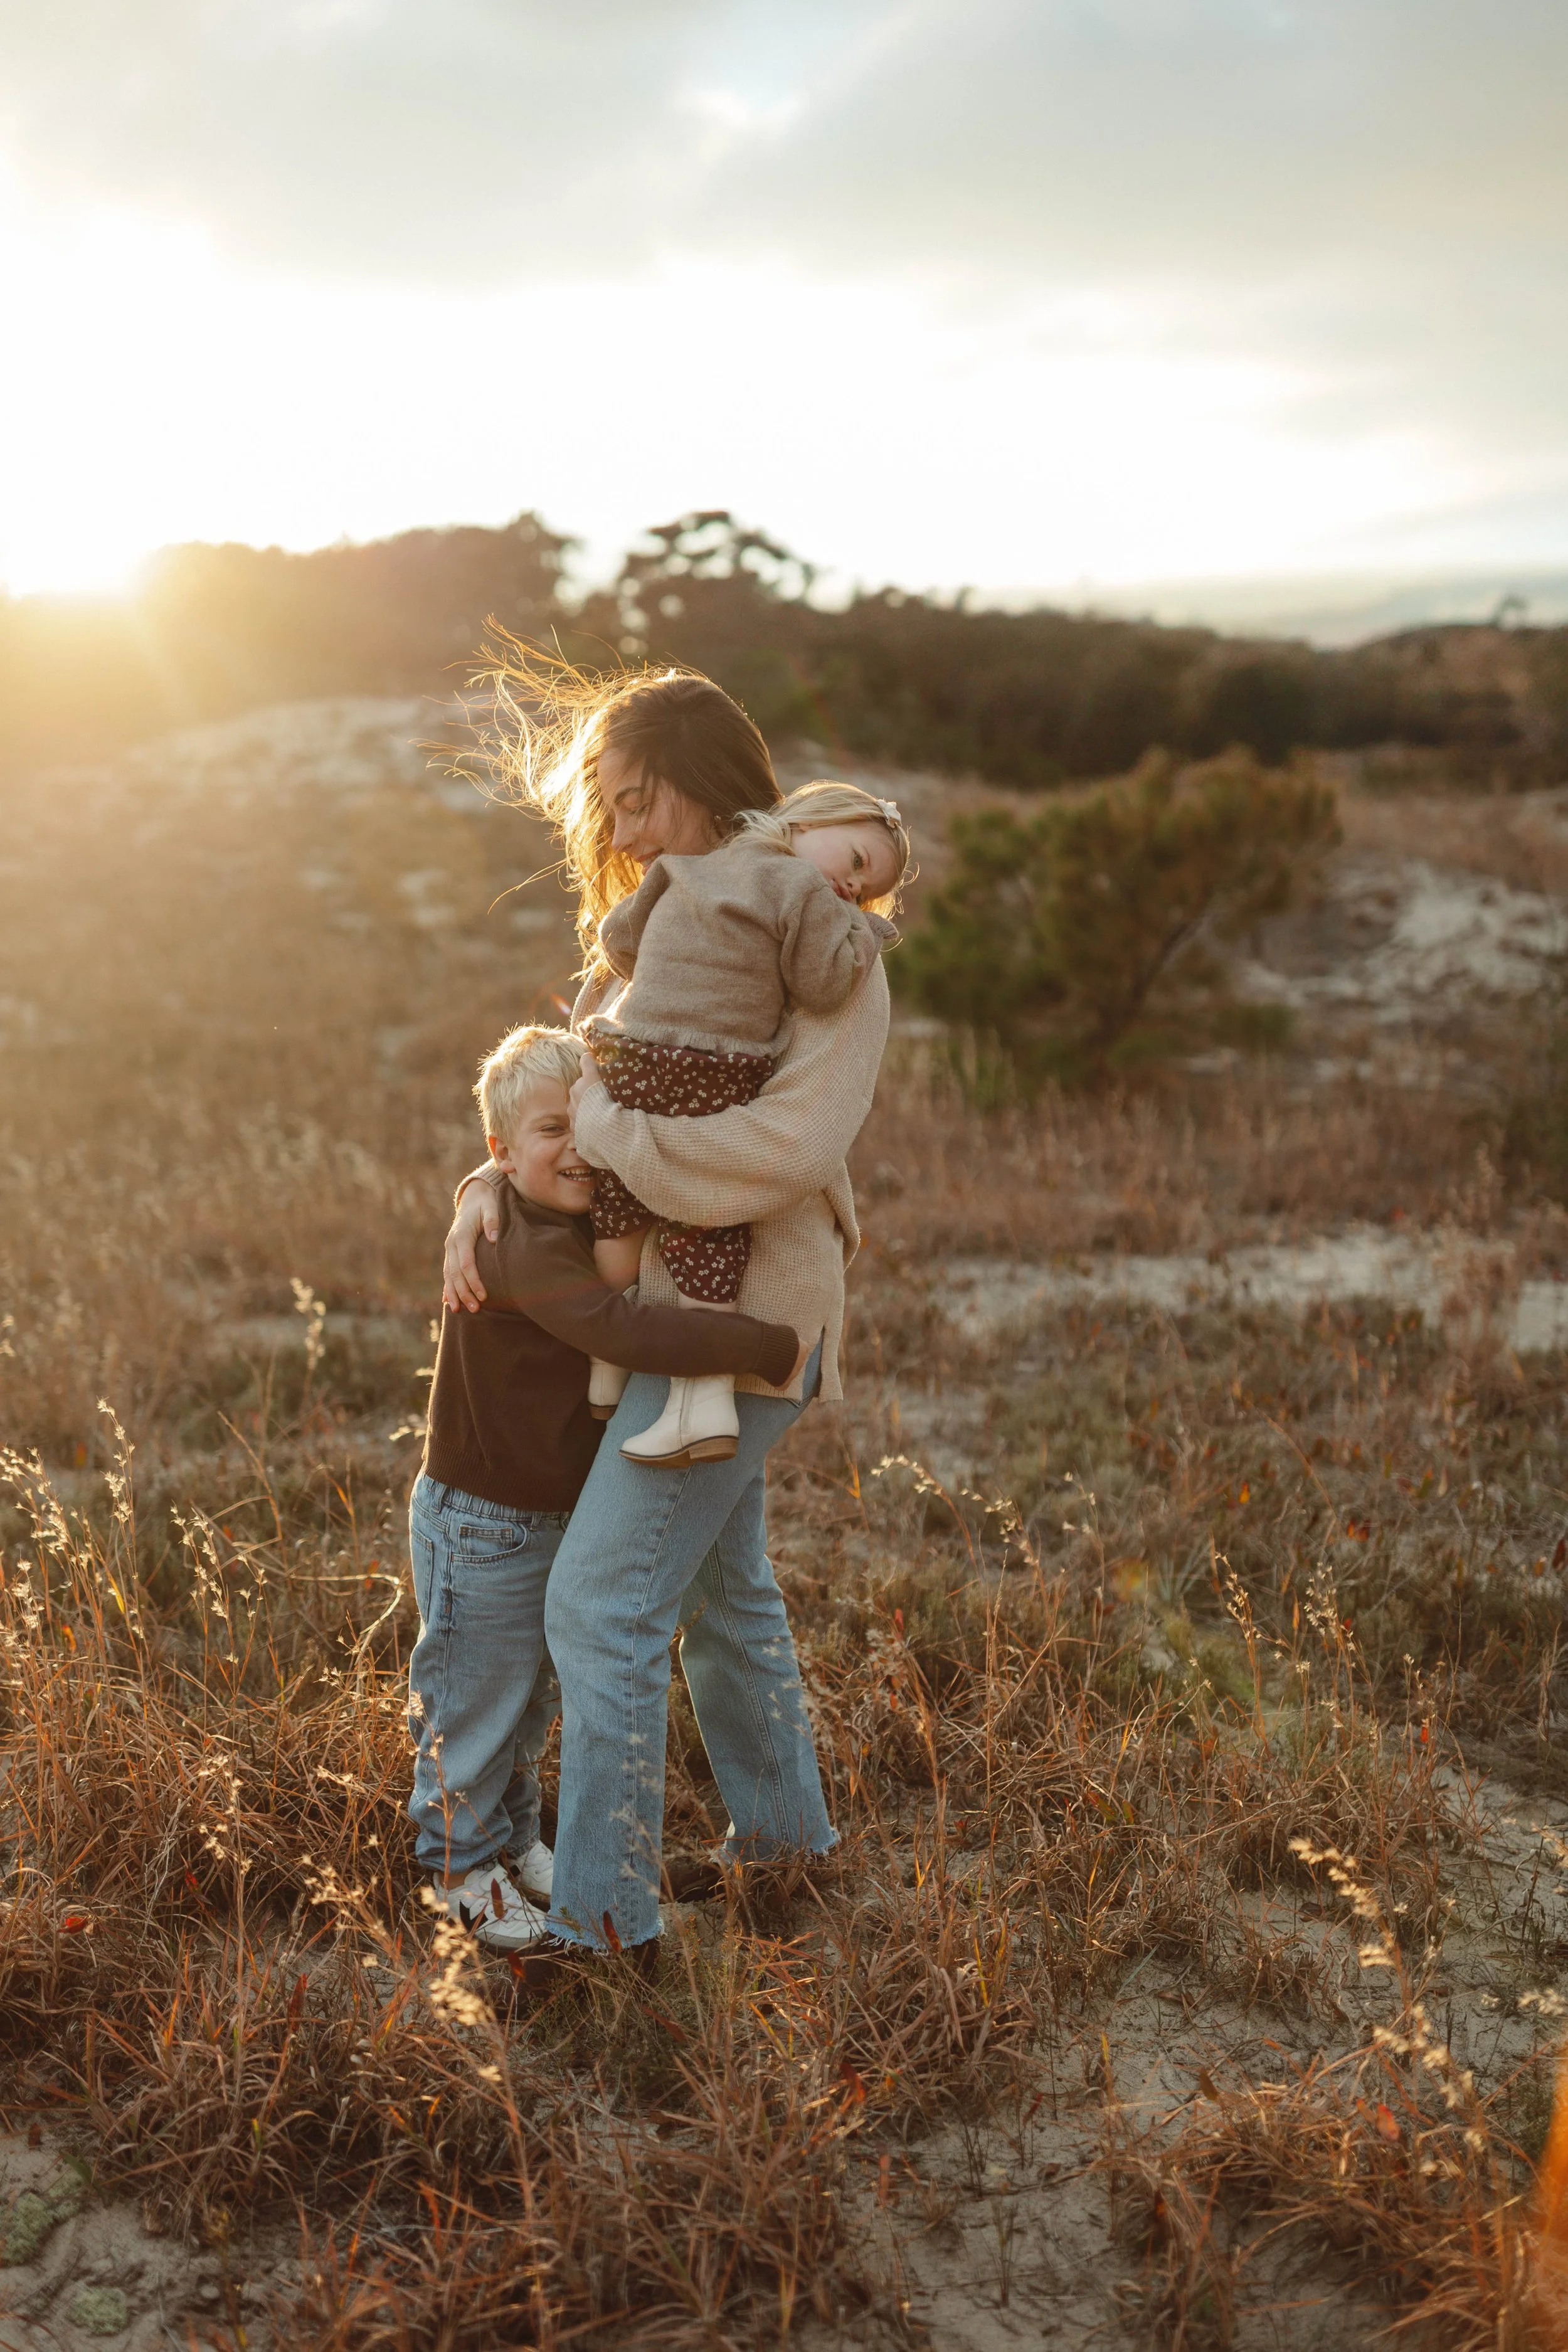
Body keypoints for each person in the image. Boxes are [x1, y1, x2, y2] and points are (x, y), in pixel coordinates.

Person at [443, 657, 896, 1980]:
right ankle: (788, 1851)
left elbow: (779, 1148)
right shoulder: (671, 920)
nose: (619, 828)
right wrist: (489, 1178)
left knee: (599, 1606)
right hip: (660, 1310)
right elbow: (570, 1097)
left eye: (636, 798)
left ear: (701, 787)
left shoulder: (822, 943)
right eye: (607, 804)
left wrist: (605, 1135)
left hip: (750, 1324)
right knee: (723, 1594)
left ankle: (604, 1922)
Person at [411, 1021, 798, 1952]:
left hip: (546, 1510)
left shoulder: (566, 1211)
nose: (579, 1145)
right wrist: (760, 1343)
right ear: (502, 1151)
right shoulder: (519, 1242)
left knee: (528, 1697)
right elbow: (622, 1331)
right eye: (552, 1129)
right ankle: (455, 1868)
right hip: (483, 1520)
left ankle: (513, 1842)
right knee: (474, 1698)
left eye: (590, 1120)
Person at [582, 778, 911, 1466]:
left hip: (652, 1068)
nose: (853, 891)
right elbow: (619, 945)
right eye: (855, 863)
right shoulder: (712, 874)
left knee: (658, 1214)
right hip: (685, 1070)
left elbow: (619, 941)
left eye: (869, 890)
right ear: (809, 818)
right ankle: (620, 1359)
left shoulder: (722, 879)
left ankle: (650, 1380)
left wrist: (857, 928)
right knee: (656, 1219)